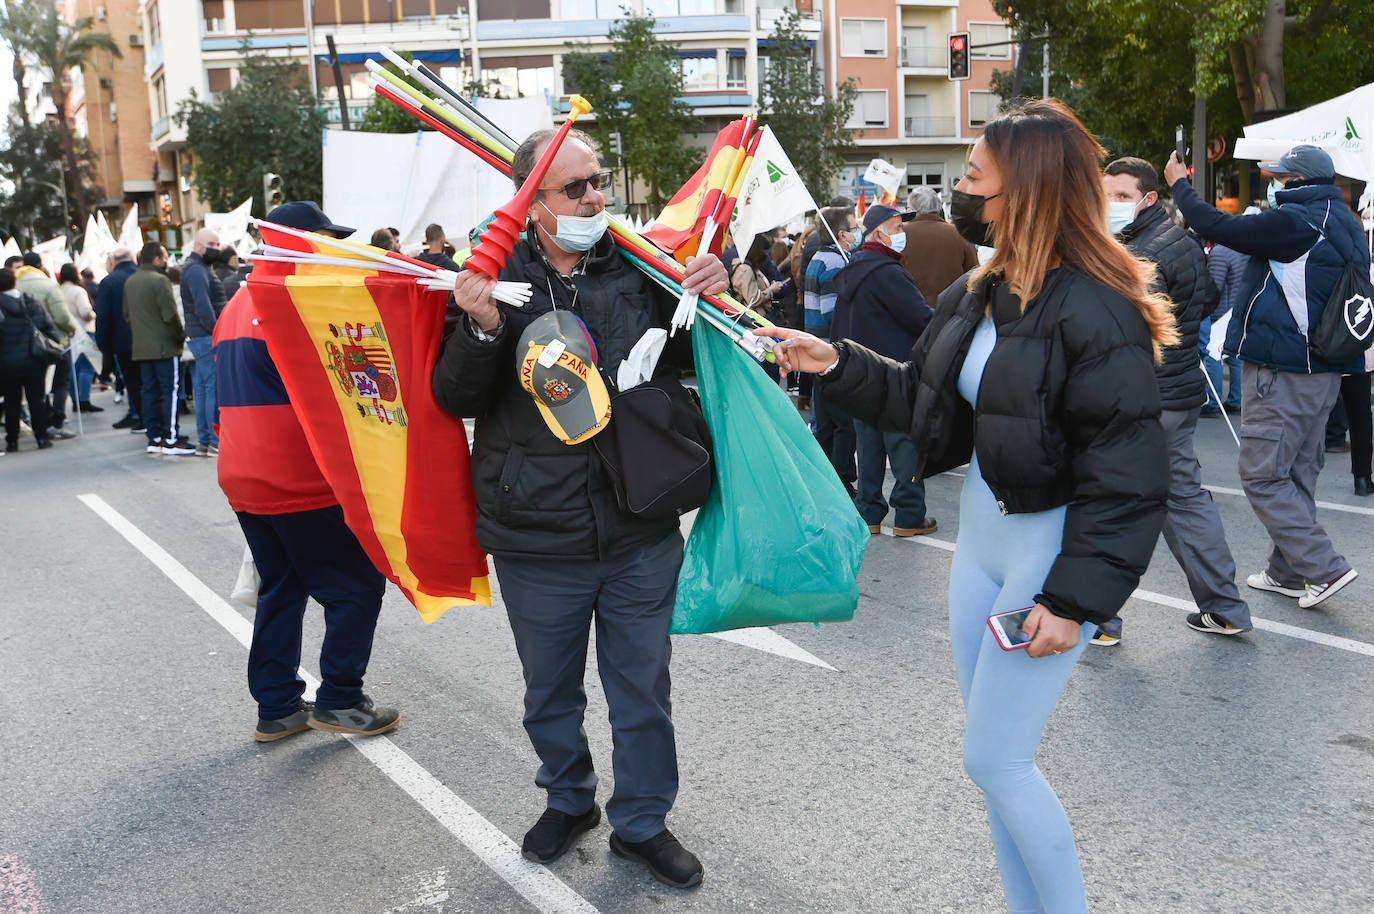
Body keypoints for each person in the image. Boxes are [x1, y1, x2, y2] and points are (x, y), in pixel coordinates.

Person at [763, 99, 1173, 914]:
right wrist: (833, 363)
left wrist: (1072, 600)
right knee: (996, 767)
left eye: (974, 179)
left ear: (1023, 191)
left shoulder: (1095, 307)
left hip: (1045, 558)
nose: (956, 193)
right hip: (979, 551)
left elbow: (1128, 474)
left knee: (998, 763)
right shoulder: (979, 290)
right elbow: (921, 397)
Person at [431, 127, 727, 889]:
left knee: (642, 691)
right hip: (536, 533)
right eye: (576, 188)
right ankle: (569, 800)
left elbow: (702, 354)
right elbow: (452, 396)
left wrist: (727, 286)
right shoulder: (488, 275)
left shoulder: (638, 267)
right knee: (549, 692)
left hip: (639, 525)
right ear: (531, 204)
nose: (598, 197)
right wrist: (482, 326)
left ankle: (642, 823)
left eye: (600, 181)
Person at [215, 200, 400, 743]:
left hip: (244, 474)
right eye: (325, 238)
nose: (333, 249)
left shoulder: (240, 298)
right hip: (297, 478)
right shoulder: (297, 299)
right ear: (296, 241)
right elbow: (345, 391)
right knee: (356, 587)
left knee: (283, 586)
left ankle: (276, 706)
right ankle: (340, 698)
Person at [1165, 144, 1364, 608]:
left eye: (1279, 176)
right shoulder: (1345, 221)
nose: (1273, 182)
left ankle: (1324, 567)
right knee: (1296, 472)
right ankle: (1287, 572)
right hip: (1328, 367)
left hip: (1284, 366)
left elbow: (1217, 225)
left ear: (1297, 181)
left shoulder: (1295, 221)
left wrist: (1179, 184)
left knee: (1261, 475)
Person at [1098, 156, 1252, 640]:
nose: (1108, 205)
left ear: (1147, 198)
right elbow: (1204, 301)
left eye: (1120, 197)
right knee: (1181, 498)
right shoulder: (1180, 241)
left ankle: (1098, 616)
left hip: (1144, 395)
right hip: (1178, 391)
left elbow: (1128, 331)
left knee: (1116, 502)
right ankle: (1224, 605)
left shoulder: (1140, 254)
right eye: (1104, 194)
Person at [831, 202, 937, 537]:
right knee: (903, 444)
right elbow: (920, 317)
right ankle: (909, 516)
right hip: (892, 370)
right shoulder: (886, 271)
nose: (903, 234)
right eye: (898, 228)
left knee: (869, 445)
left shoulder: (855, 268)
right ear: (878, 233)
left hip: (860, 371)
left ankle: (869, 513)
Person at [803, 205, 859, 494]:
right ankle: (841, 483)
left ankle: (824, 480)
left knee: (825, 421)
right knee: (844, 424)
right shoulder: (836, 263)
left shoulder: (817, 258)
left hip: (816, 348)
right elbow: (832, 312)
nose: (857, 232)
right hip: (832, 352)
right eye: (854, 227)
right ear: (841, 233)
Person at [124, 241, 193, 456]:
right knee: (170, 391)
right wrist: (179, 336)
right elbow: (170, 315)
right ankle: (170, 438)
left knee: (150, 391)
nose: (166, 261)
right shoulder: (160, 280)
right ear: (156, 259)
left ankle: (154, 437)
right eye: (164, 257)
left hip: (142, 345)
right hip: (164, 345)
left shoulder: (131, 282)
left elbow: (127, 315)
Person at [15, 252, 77, 439]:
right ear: (40, 266)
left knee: (37, 388)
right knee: (60, 382)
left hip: (25, 344)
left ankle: (43, 423)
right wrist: (71, 328)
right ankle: (57, 421)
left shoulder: (15, 284)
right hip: (53, 342)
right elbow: (61, 316)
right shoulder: (48, 285)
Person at [0, 267, 59, 453]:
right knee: (36, 400)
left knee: (11, 402)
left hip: (6, 363)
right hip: (33, 360)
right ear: (14, 282)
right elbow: (48, 328)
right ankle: (41, 438)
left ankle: (12, 441)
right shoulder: (30, 301)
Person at [1201, 219, 1255, 417]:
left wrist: (1207, 309)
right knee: (1235, 356)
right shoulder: (1243, 249)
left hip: (1221, 311)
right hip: (1239, 307)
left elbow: (1215, 286)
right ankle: (1236, 399)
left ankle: (1212, 400)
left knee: (1212, 354)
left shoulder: (1220, 252)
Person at [181, 228, 226, 457]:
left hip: (201, 335)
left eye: (218, 244)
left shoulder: (196, 268)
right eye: (211, 243)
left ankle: (205, 440)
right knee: (211, 388)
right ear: (198, 245)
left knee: (203, 388)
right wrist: (217, 330)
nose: (216, 248)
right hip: (207, 336)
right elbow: (203, 306)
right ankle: (212, 441)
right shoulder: (197, 270)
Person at [900, 186, 979, 307]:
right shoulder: (960, 234)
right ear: (938, 207)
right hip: (950, 313)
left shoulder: (899, 234)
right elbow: (974, 277)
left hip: (908, 313)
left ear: (910, 208)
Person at [95, 248, 142, 430]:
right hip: (146, 338)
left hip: (122, 341)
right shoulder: (143, 275)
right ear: (131, 258)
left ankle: (138, 415)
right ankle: (146, 417)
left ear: (113, 262)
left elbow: (103, 316)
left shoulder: (109, 282)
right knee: (147, 382)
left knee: (132, 382)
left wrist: (103, 344)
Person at [59, 262, 102, 414]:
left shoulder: (59, 290)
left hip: (67, 333)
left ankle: (75, 399)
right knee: (87, 367)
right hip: (84, 332)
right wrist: (94, 314)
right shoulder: (78, 291)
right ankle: (84, 400)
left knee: (74, 369)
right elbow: (85, 311)